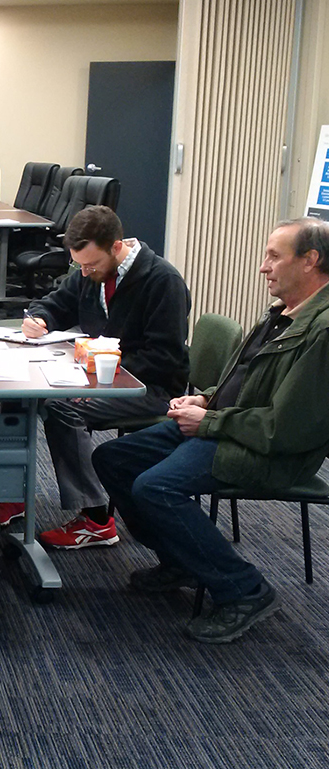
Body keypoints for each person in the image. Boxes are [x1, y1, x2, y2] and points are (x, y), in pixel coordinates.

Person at [92, 218, 329, 644]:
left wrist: (211, 420)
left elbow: (286, 430)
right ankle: (181, 558)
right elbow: (246, 380)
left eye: (275, 256)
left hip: (264, 449)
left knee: (156, 487)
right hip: (227, 425)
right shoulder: (283, 312)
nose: (263, 267)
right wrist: (206, 399)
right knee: (112, 457)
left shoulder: (323, 330)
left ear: (311, 260)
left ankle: (244, 588)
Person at [0, 205, 191, 549]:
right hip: (100, 375)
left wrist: (100, 370)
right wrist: (39, 318)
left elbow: (164, 357)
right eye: (79, 265)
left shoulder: (163, 281)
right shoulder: (92, 272)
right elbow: (56, 303)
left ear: (116, 247)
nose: (84, 272)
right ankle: (12, 493)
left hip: (150, 386)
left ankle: (97, 519)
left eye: (91, 264)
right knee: (16, 393)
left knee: (63, 408)